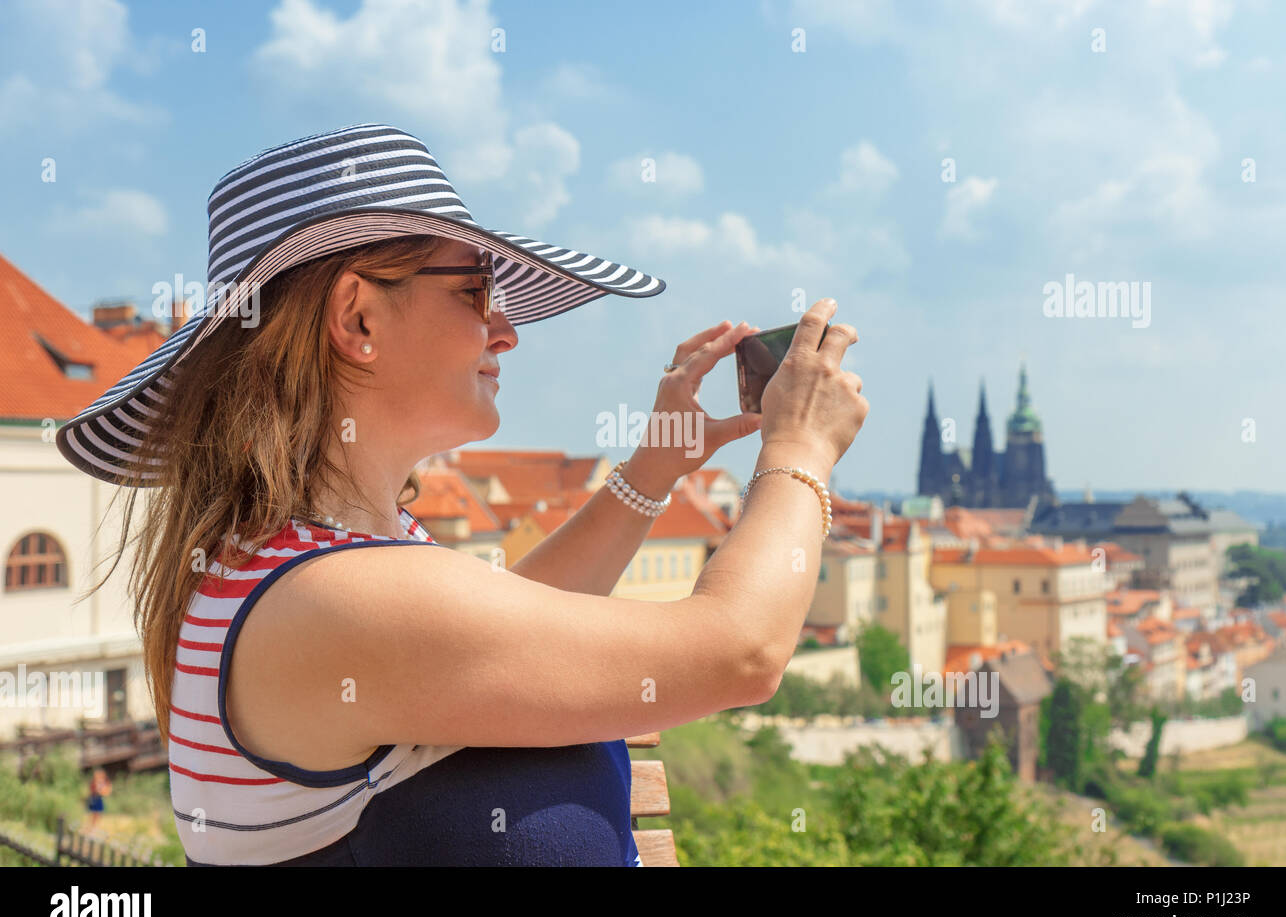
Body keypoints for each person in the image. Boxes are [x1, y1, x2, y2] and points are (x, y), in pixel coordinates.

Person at [59, 124, 867, 866]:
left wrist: (652, 470)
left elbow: (502, 631)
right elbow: (742, 652)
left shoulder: (305, 564)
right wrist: (799, 450)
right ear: (359, 317)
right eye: (477, 292)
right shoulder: (331, 600)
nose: (507, 331)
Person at [84, 768, 112, 834]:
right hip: (94, 798)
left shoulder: (103, 782)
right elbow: (94, 790)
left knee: (98, 814)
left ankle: (94, 828)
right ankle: (91, 828)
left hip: (98, 798)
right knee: (93, 814)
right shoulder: (94, 782)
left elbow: (106, 791)